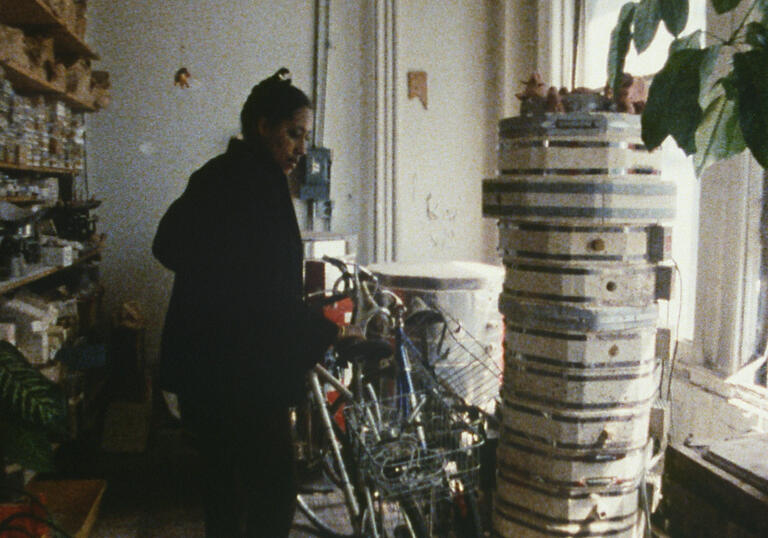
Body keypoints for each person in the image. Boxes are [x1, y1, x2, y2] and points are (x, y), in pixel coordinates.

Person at [153, 68, 344, 537]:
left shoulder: (214, 174)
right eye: (293, 133)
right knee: (271, 497)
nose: (301, 149)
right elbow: (270, 291)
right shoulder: (262, 187)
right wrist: (329, 330)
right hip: (248, 377)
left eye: (304, 137)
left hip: (208, 372)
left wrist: (214, 281)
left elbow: (168, 247)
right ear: (263, 126)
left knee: (223, 497)